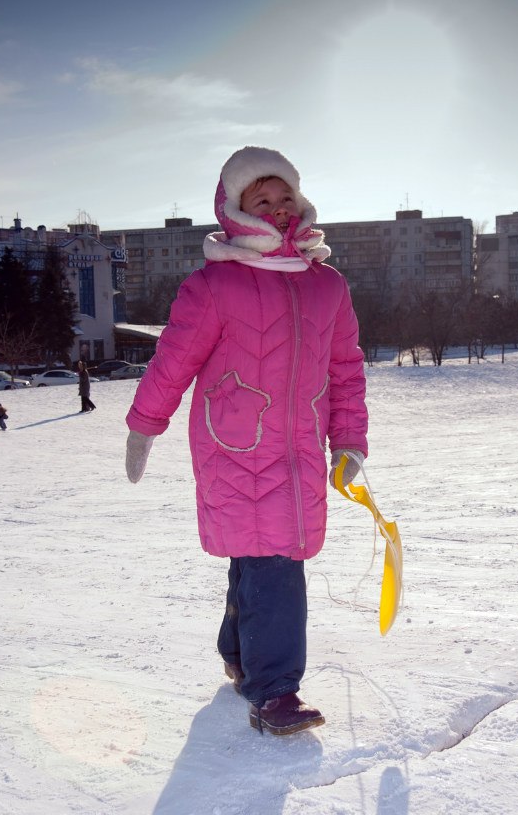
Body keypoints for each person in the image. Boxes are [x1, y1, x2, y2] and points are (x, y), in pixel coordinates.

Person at [125, 146, 368, 735]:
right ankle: (275, 690)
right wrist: (145, 423)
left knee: (260, 554)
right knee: (275, 559)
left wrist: (349, 440)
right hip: (234, 445)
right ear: (236, 209)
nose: (279, 208)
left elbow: (345, 369)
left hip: (300, 449)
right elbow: (174, 360)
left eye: (285, 196)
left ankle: (239, 654)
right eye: (263, 199)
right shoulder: (215, 284)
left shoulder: (327, 286)